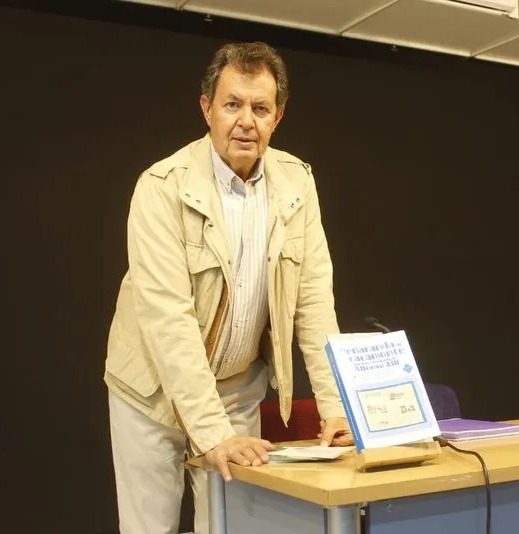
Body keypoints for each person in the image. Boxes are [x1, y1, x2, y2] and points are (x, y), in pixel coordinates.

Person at [103, 41, 353, 534]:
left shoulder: (297, 183)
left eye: (260, 108)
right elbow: (167, 319)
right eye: (232, 104)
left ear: (277, 116)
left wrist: (338, 409)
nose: (246, 121)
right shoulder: (162, 186)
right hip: (149, 394)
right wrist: (212, 433)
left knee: (233, 527)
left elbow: (315, 304)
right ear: (207, 108)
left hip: (237, 391)